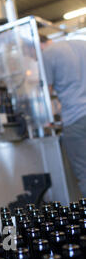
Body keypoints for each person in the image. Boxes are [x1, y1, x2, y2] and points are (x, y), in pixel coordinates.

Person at [41, 36, 86, 197]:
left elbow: (46, 92)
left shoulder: (48, 54)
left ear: (38, 44)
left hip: (76, 119)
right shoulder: (82, 43)